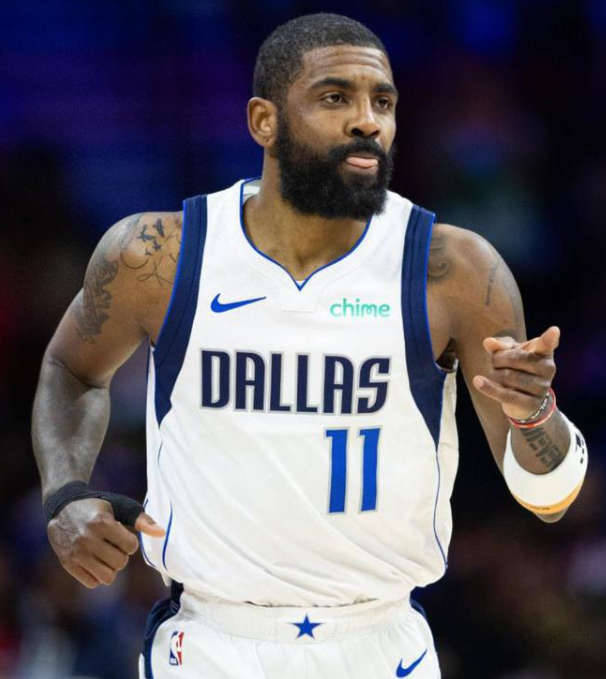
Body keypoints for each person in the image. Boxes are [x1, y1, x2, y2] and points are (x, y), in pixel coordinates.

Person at [32, 13, 588, 679]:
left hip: (380, 643)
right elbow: (71, 369)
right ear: (263, 121)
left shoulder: (453, 271)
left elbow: (551, 499)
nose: (367, 121)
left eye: (383, 102)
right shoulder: (159, 255)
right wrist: (65, 492)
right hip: (209, 642)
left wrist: (535, 413)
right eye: (335, 98)